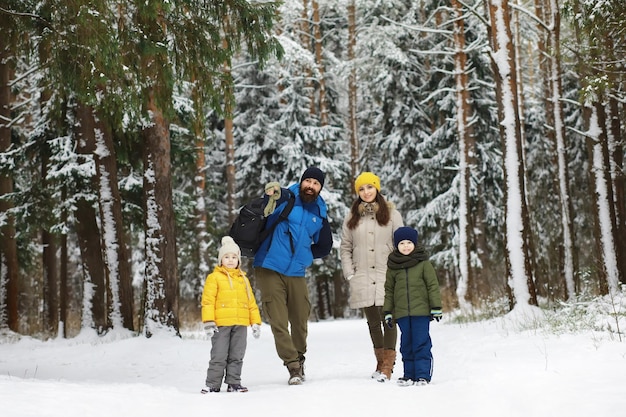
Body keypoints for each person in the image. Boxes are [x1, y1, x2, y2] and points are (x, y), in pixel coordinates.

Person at [254, 166, 333, 385]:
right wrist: (268, 195)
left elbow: (325, 246)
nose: (311, 186)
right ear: (301, 182)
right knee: (279, 321)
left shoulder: (320, 212)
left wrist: (305, 254)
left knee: (300, 321)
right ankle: (293, 367)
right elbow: (263, 209)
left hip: (296, 272)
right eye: (308, 181)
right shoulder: (285, 197)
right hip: (269, 266)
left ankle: (299, 357)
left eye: (316, 183)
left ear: (320, 188)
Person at [339, 172, 403, 382]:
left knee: (389, 319)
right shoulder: (352, 217)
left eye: (370, 187)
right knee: (373, 322)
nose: (366, 192)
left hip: (387, 273)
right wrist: (350, 273)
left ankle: (388, 365)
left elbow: (401, 244)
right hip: (362, 275)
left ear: (377, 188)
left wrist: (398, 270)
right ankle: (380, 361)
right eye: (361, 189)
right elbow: (345, 247)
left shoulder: (393, 214)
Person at [200, 236, 262, 394]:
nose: (230, 260)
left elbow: (251, 303)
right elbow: (208, 301)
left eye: (234, 257)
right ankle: (213, 384)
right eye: (226, 257)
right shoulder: (214, 278)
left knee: (237, 354)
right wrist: (208, 321)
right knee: (219, 355)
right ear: (221, 259)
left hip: (240, 324)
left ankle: (234, 383)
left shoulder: (244, 279)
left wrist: (255, 322)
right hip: (221, 325)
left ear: (238, 260)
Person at [383, 226, 442, 387]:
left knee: (421, 342)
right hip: (402, 313)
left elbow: (432, 286)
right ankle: (409, 374)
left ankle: (423, 375)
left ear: (415, 244)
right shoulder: (393, 266)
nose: (406, 246)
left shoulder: (423, 263)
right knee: (406, 344)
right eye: (402, 243)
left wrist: (436, 307)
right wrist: (388, 311)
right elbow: (389, 290)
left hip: (421, 312)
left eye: (409, 242)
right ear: (397, 246)